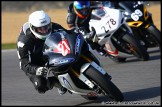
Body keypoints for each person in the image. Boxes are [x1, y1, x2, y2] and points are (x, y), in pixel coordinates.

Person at [17, 10, 72, 94]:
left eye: (46, 27)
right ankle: (55, 82)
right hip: (35, 62)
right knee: (40, 86)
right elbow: (23, 64)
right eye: (40, 29)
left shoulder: (54, 26)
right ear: (33, 28)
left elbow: (69, 34)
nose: (44, 31)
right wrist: (37, 69)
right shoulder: (24, 42)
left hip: (51, 53)